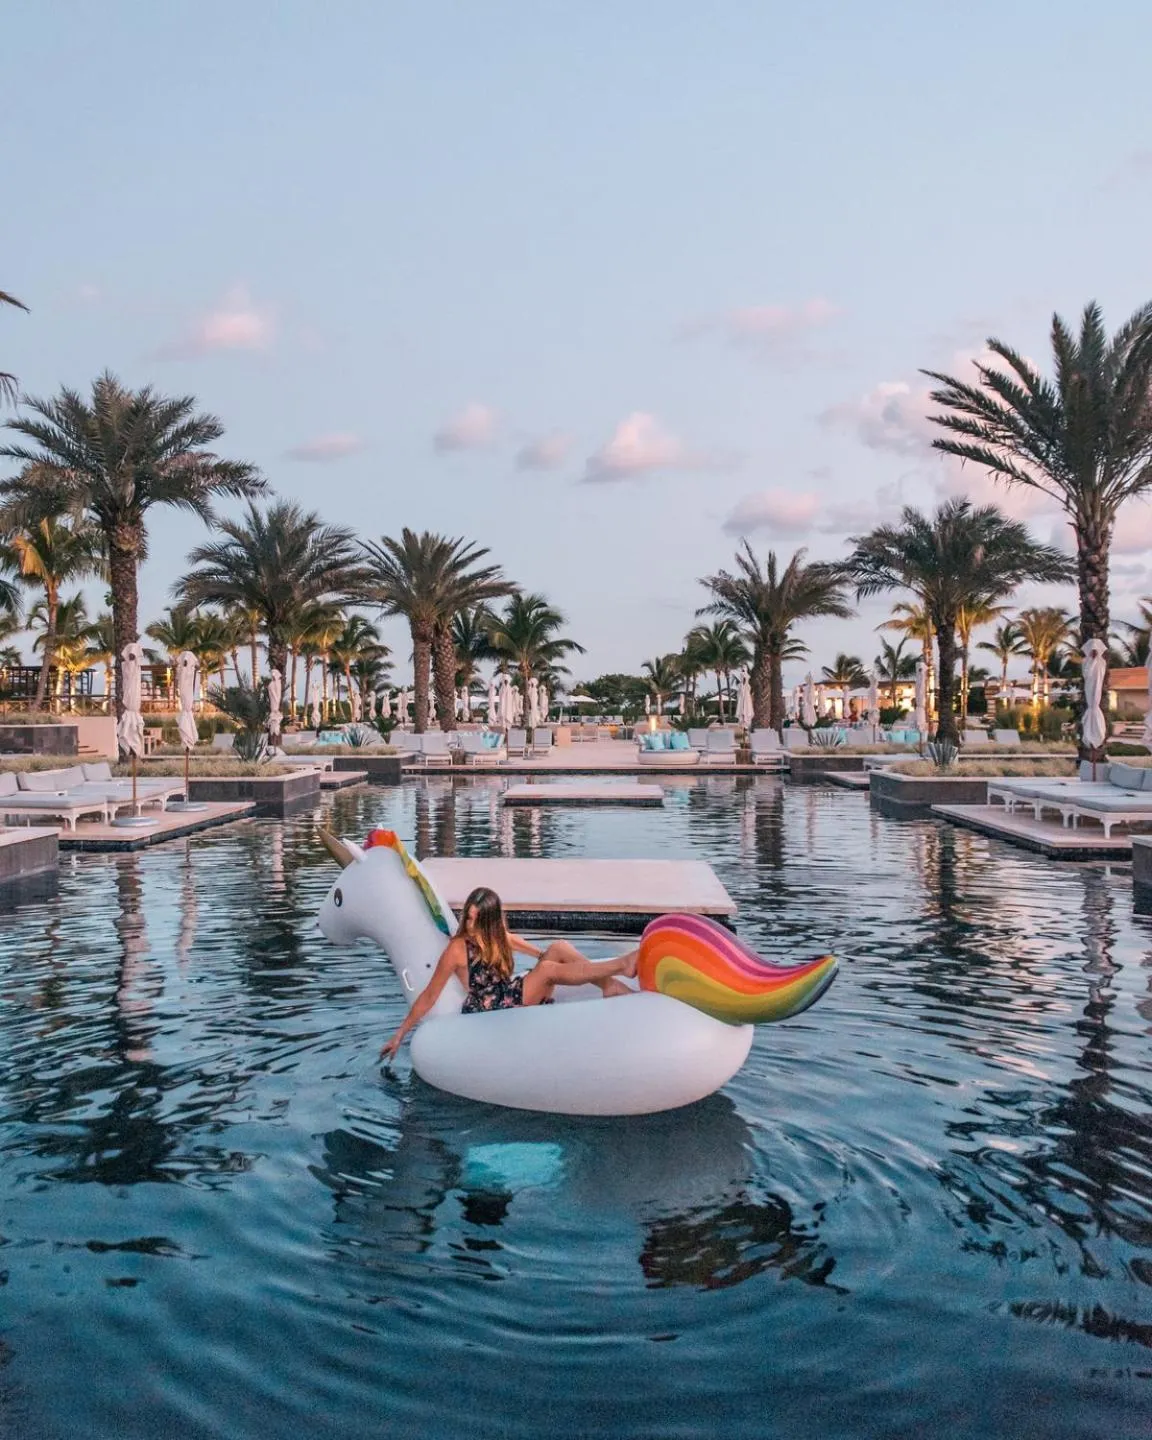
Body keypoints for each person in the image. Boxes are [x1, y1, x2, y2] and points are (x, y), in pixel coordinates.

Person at [379, 886, 638, 1062]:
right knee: (548, 971)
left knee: (559, 947)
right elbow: (429, 995)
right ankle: (621, 965)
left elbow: (513, 940)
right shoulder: (457, 948)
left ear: (489, 922)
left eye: (476, 920)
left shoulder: (493, 935)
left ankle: (609, 985)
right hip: (490, 1009)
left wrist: (542, 955)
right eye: (467, 918)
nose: (470, 925)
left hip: (510, 994)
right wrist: (400, 1034)